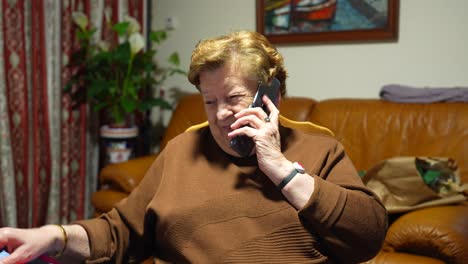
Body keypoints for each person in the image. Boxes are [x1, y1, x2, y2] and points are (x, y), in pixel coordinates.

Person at [0, 30, 387, 264]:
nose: (219, 114)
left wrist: (282, 170)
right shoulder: (181, 152)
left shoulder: (319, 149)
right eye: (208, 100)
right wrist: (54, 235)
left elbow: (367, 235)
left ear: (271, 95)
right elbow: (118, 233)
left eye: (233, 98)